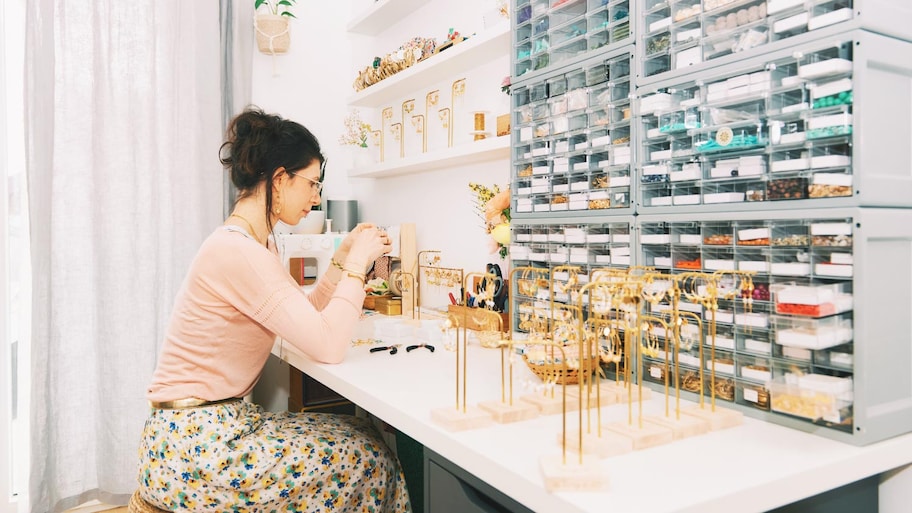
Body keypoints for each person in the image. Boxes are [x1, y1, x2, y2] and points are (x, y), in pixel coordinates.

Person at [136, 107, 411, 512]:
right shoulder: (239, 251)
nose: (316, 198)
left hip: (200, 432)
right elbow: (329, 344)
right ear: (280, 179)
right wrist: (355, 267)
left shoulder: (254, 245)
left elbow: (308, 313)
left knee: (359, 432)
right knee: (370, 456)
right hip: (197, 449)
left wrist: (343, 258)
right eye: (312, 184)